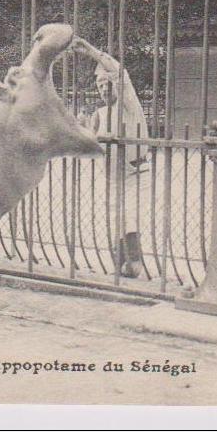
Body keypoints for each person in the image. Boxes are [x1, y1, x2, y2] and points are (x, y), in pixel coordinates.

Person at [73, 37, 149, 278]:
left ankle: (134, 262)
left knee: (130, 215)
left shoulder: (129, 105)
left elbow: (120, 74)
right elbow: (90, 144)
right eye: (100, 85)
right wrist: (82, 129)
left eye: (108, 84)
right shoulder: (100, 113)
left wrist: (93, 53)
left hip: (135, 172)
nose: (105, 89)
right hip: (111, 174)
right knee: (115, 215)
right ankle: (120, 264)